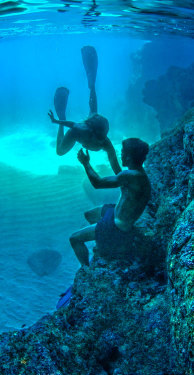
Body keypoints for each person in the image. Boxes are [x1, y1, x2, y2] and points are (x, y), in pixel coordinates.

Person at [69, 138, 151, 266]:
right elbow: (119, 173)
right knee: (89, 215)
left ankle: (86, 268)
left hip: (117, 226)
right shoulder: (136, 173)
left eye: (122, 152)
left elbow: (98, 183)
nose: (121, 154)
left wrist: (86, 163)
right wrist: (109, 149)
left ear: (128, 157)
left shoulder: (132, 176)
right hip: (117, 213)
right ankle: (100, 238)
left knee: (74, 239)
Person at [48, 46, 121, 175]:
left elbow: (115, 166)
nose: (103, 138)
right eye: (101, 136)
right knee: (59, 151)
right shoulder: (83, 130)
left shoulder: (105, 142)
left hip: (88, 128)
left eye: (103, 136)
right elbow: (71, 125)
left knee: (93, 110)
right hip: (78, 133)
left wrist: (123, 181)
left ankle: (91, 84)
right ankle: (63, 114)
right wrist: (57, 121)